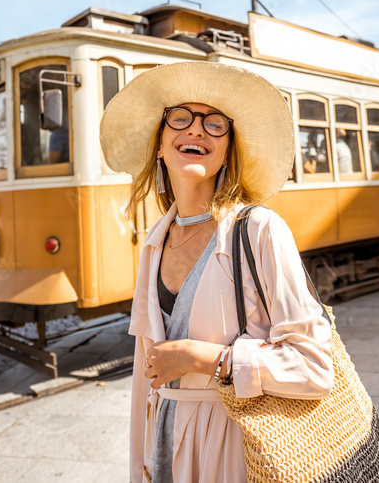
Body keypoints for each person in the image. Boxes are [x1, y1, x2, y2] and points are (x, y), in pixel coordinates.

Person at [100, 62, 334, 483]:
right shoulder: (155, 243)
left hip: (235, 453)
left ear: (229, 150)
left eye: (214, 124)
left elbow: (314, 366)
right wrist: (142, 466)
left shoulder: (260, 229)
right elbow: (145, 382)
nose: (195, 131)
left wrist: (208, 359)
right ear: (158, 145)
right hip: (165, 451)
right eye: (180, 119)